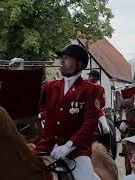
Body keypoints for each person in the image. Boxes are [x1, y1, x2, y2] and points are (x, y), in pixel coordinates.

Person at [35, 44, 100, 180]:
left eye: (67, 58)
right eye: (62, 58)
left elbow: (90, 123)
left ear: (79, 63)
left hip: (76, 152)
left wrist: (69, 145)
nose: (62, 60)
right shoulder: (50, 87)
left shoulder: (91, 89)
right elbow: (38, 111)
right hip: (45, 147)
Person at [87, 69, 110, 134]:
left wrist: (95, 106)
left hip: (97, 113)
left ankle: (106, 143)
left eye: (90, 76)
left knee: (105, 128)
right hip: (84, 112)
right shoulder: (84, 87)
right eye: (89, 76)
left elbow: (103, 103)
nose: (88, 78)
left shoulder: (101, 89)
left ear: (95, 78)